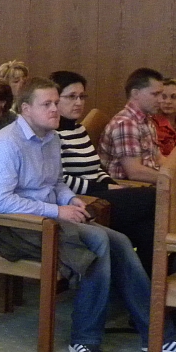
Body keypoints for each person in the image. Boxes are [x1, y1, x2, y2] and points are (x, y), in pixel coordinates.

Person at [0, 79, 176, 352]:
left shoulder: (51, 138)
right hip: (16, 226)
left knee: (120, 240)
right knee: (99, 240)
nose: (55, 109)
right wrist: (57, 210)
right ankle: (85, 338)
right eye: (47, 104)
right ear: (26, 109)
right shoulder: (6, 143)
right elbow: (1, 202)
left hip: (50, 217)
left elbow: (57, 182)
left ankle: (158, 335)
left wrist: (71, 199)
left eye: (55, 102)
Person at [51, 71, 158, 275]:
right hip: (80, 200)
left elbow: (96, 168)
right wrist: (106, 187)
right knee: (154, 197)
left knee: (149, 227)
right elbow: (61, 180)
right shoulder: (52, 135)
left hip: (100, 193)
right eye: (71, 97)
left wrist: (112, 184)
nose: (78, 102)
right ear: (56, 100)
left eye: (82, 97)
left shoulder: (79, 130)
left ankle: (151, 284)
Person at [99, 67, 168, 184]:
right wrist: (172, 180)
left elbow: (158, 158)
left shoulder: (146, 119)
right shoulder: (126, 123)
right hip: (128, 187)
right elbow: (135, 172)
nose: (161, 100)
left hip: (147, 183)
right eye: (155, 94)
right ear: (135, 93)